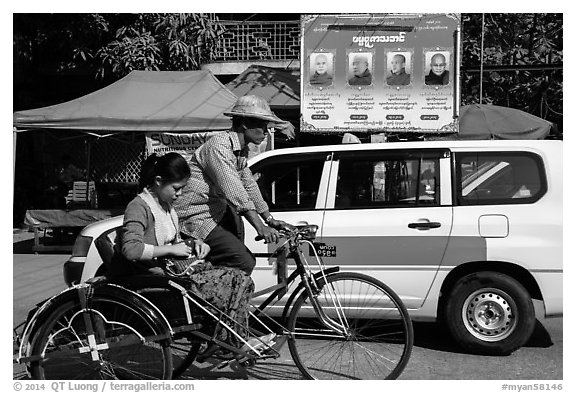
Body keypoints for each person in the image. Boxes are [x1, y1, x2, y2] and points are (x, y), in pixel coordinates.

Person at [111, 152, 270, 355]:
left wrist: (194, 243)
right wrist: (171, 249)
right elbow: (131, 249)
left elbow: (173, 240)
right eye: (176, 189)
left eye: (182, 189)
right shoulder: (138, 207)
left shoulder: (166, 206)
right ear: (158, 181)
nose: (179, 195)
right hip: (156, 280)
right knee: (234, 279)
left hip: (174, 273)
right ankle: (230, 342)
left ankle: (231, 340)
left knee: (242, 279)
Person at [174, 95, 293, 276]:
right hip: (196, 217)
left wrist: (269, 219)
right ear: (244, 123)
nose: (266, 132)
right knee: (243, 261)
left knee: (235, 262)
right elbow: (235, 191)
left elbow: (249, 185)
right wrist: (260, 227)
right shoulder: (219, 147)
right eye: (262, 126)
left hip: (217, 214)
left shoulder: (240, 152)